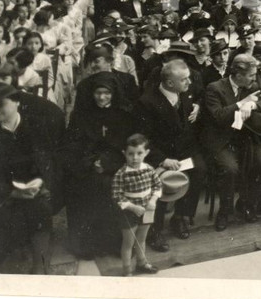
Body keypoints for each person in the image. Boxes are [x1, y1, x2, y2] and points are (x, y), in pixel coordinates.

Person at [64, 71, 138, 259]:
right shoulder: (81, 115)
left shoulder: (124, 114)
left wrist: (107, 163)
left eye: (107, 93)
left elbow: (128, 145)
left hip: (115, 164)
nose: (102, 97)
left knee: (111, 187)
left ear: (114, 93)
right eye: (98, 92)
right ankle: (87, 245)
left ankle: (114, 243)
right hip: (86, 165)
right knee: (86, 189)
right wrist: (91, 162)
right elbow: (73, 144)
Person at [134, 58, 207, 249]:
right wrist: (162, 160)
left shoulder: (184, 94)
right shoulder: (147, 102)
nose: (189, 82)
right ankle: (154, 229)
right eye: (184, 79)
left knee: (199, 169)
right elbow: (143, 138)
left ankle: (180, 216)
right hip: (158, 155)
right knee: (158, 183)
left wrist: (198, 107)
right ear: (169, 82)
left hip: (183, 150)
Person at [0, 83, 58, 274]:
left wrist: (41, 181)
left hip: (33, 187)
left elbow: (46, 159)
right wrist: (10, 192)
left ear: (17, 102)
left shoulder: (35, 125)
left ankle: (40, 265)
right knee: (3, 215)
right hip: (1, 190)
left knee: (40, 208)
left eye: (0, 104)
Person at [200, 53, 261, 231]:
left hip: (245, 137)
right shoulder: (215, 88)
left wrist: (252, 105)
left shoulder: (251, 84)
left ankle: (246, 204)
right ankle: (225, 211)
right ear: (238, 75)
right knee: (230, 169)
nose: (254, 78)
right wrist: (241, 103)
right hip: (222, 140)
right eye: (251, 75)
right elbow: (218, 116)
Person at [111, 133, 162, 276]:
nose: (135, 158)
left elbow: (158, 186)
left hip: (147, 210)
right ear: (124, 153)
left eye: (139, 153)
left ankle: (142, 263)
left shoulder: (149, 169)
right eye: (130, 154)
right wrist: (133, 207)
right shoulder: (121, 174)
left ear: (146, 153)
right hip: (129, 213)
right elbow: (116, 195)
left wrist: (153, 200)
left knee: (142, 239)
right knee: (128, 243)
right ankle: (127, 270)